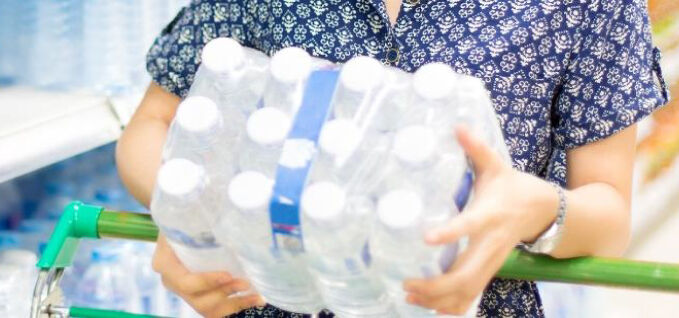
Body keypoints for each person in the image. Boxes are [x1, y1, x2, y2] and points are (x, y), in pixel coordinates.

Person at [116, 0, 670, 317]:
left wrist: (538, 206)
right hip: (271, 298)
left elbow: (609, 214)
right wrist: (188, 207)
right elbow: (153, 124)